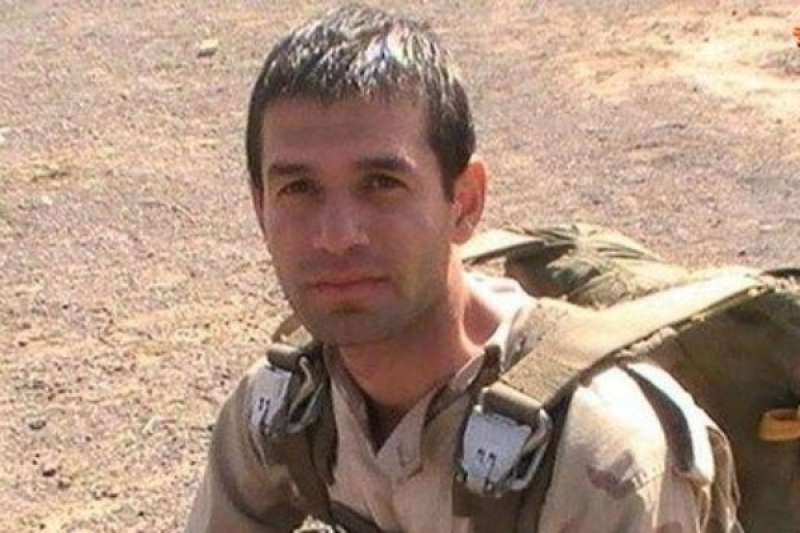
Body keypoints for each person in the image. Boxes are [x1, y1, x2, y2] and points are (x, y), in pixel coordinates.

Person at [186, 5, 741, 532]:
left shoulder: (598, 456)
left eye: (381, 184)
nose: (336, 237)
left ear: (465, 202)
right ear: (260, 209)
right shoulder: (283, 408)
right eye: (298, 188)